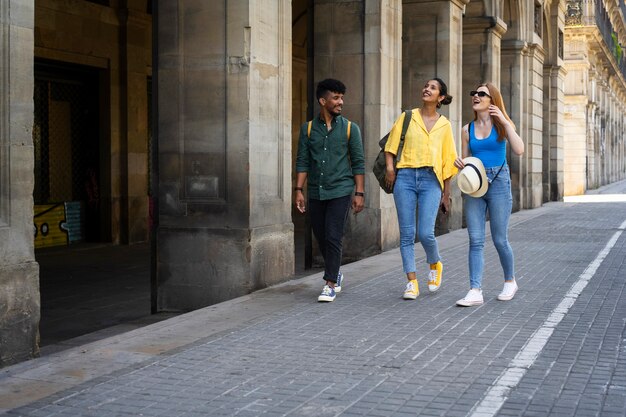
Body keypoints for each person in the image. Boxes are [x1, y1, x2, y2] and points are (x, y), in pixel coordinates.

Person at [384, 78, 458, 300]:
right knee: (406, 234)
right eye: (426, 86)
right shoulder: (408, 116)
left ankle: (435, 263)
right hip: (404, 177)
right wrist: (390, 169)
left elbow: (447, 162)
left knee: (425, 232)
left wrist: (447, 194)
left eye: (433, 88)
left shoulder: (445, 125)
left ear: (441, 97)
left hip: (431, 180)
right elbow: (390, 147)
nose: (427, 89)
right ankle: (412, 282)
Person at [295, 79, 365, 302]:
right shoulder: (307, 129)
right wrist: (298, 189)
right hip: (316, 191)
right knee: (321, 235)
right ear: (322, 101)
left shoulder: (350, 129)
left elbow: (358, 162)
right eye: (336, 98)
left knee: (334, 235)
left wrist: (359, 193)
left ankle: (330, 283)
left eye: (342, 98)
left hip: (341, 190)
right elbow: (303, 161)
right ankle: (336, 272)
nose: (340, 102)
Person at [454, 82, 524, 307]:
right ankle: (475, 290)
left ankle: (510, 281)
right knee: (475, 239)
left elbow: (520, 149)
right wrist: (460, 163)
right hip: (475, 184)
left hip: (499, 182)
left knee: (499, 239)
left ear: (492, 100)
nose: (475, 96)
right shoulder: (466, 130)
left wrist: (504, 121)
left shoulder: (502, 125)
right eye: (474, 93)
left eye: (481, 94)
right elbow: (465, 161)